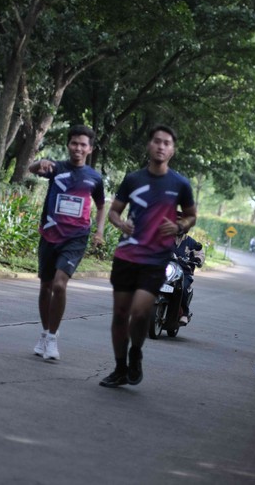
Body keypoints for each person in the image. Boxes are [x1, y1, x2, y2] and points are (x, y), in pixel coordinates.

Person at [99, 124, 196, 388]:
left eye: (167, 143)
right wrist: (120, 224)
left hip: (156, 258)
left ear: (172, 150)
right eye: (157, 141)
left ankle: (136, 352)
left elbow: (191, 216)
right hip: (126, 254)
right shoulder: (133, 179)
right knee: (120, 313)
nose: (161, 146)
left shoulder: (180, 184)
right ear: (149, 145)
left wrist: (179, 226)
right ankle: (120, 368)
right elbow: (114, 211)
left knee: (141, 312)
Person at [28, 125, 105, 361]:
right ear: (68, 145)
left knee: (60, 285)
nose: (78, 148)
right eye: (74, 143)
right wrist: (39, 163)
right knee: (46, 286)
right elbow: (32, 169)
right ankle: (44, 333)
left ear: (90, 149)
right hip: (50, 234)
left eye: (83, 144)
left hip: (76, 237)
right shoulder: (56, 168)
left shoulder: (94, 178)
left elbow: (101, 206)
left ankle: (52, 338)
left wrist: (99, 232)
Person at [173, 215, 205, 326]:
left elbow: (200, 253)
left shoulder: (191, 242)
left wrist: (198, 259)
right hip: (165, 269)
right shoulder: (164, 237)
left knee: (182, 288)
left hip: (184, 273)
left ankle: (185, 313)